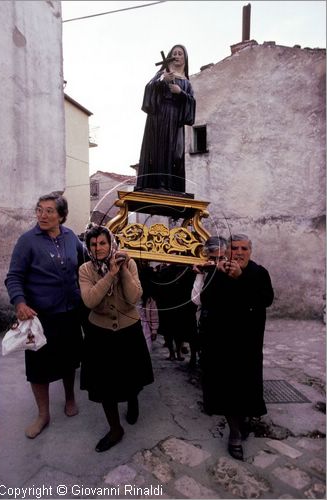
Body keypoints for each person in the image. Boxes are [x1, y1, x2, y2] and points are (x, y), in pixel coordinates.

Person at [5, 192, 85, 439]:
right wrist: (19, 302)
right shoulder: (27, 240)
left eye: (50, 210)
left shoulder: (71, 237)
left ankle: (70, 398)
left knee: (69, 360)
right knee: (38, 367)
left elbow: (85, 265)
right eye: (39, 209)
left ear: (61, 215)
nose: (43, 215)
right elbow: (14, 276)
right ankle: (43, 415)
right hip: (40, 316)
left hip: (70, 312)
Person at [78, 224, 154, 452]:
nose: (98, 247)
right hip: (99, 333)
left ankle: (133, 400)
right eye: (93, 244)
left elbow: (134, 298)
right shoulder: (85, 270)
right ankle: (115, 429)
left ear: (111, 243)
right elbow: (90, 301)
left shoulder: (128, 263)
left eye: (102, 243)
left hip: (128, 330)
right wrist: (110, 274)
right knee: (103, 385)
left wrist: (121, 271)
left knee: (131, 377)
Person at [199, 233, 274, 461]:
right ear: (227, 251)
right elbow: (206, 301)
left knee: (247, 387)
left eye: (244, 248)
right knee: (229, 389)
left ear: (250, 252)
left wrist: (241, 279)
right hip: (223, 344)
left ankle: (243, 421)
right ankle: (234, 434)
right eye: (234, 248)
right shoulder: (218, 272)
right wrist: (215, 275)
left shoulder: (259, 273)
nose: (239, 252)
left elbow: (266, 299)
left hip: (249, 344)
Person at [135, 44, 196, 193]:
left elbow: (191, 103)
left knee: (175, 152)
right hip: (159, 117)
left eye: (180, 54)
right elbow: (148, 89)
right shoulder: (161, 75)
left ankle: (171, 186)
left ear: (185, 59)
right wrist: (163, 81)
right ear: (170, 56)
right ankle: (157, 184)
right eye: (174, 53)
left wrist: (180, 92)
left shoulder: (186, 83)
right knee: (158, 150)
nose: (177, 55)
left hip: (175, 121)